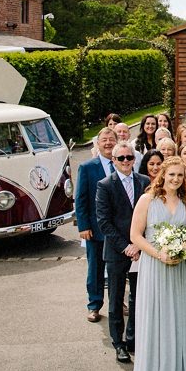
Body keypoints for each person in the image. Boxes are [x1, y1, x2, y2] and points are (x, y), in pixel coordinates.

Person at [128, 155, 186, 371]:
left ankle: (177, 367)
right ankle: (155, 370)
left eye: (180, 175)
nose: (175, 179)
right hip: (155, 265)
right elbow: (135, 235)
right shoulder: (147, 200)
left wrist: (184, 249)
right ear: (162, 175)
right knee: (156, 313)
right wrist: (159, 254)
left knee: (178, 314)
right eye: (172, 174)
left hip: (180, 267)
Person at [95, 141, 147, 363]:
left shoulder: (145, 182)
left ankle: (133, 338)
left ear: (134, 159)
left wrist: (138, 245)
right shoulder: (105, 185)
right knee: (116, 299)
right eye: (121, 158)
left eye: (129, 157)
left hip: (140, 250)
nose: (126, 161)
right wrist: (126, 246)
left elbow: (148, 216)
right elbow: (104, 222)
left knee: (137, 297)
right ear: (113, 161)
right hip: (117, 252)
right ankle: (119, 343)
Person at [76, 128, 115, 323]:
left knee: (117, 270)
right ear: (98, 144)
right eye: (104, 140)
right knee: (96, 269)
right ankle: (94, 305)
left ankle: (117, 302)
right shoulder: (87, 167)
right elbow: (81, 199)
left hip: (118, 230)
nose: (108, 143)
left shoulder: (124, 164)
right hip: (95, 229)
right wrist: (83, 226)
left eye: (111, 139)